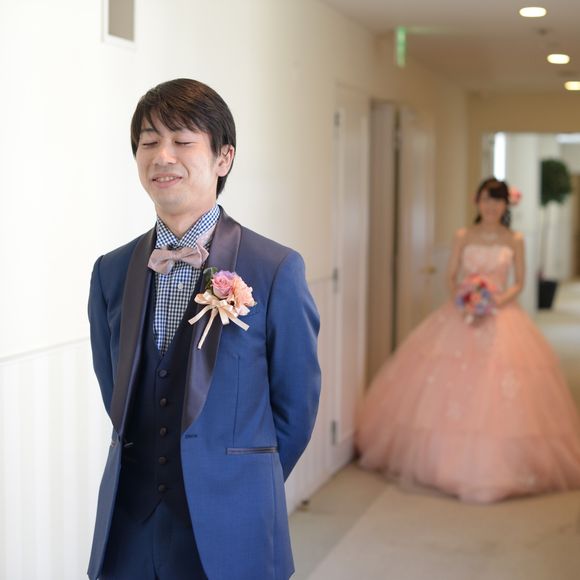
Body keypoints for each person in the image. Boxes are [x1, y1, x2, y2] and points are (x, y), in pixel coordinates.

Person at [87, 78, 321, 580]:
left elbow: (296, 408)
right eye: (149, 142)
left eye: (182, 141)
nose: (162, 156)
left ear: (223, 158)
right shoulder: (111, 270)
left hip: (235, 521)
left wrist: (244, 480)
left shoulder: (275, 268)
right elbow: (114, 388)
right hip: (129, 528)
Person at [356, 177, 580, 504]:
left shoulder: (515, 239)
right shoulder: (464, 235)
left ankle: (503, 467)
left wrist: (496, 300)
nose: (491, 206)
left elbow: (519, 281)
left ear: (505, 205)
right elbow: (451, 276)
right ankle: (444, 465)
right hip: (461, 313)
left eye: (497, 200)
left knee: (500, 387)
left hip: (502, 314)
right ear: (477, 201)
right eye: (486, 199)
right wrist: (465, 299)